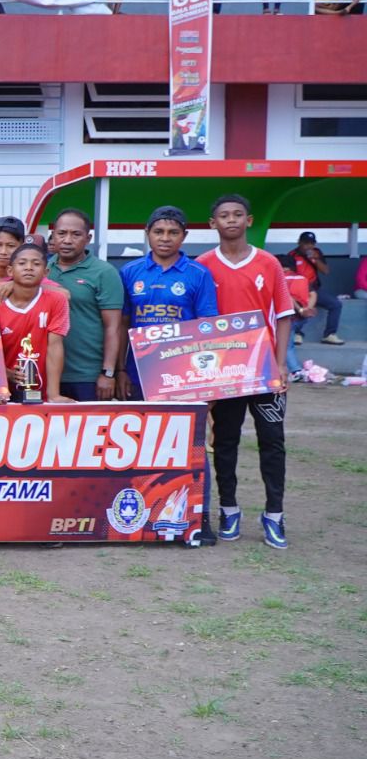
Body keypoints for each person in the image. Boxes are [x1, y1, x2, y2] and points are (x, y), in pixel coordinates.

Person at [194, 195, 295, 548]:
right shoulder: (202, 266)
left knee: (273, 441)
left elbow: (284, 316)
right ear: (213, 223)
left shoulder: (268, 263)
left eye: (238, 214)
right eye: (224, 215)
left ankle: (274, 515)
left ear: (249, 220)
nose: (231, 220)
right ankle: (229, 510)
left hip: (264, 369)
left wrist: (281, 363)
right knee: (224, 442)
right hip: (225, 372)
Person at [116, 206, 219, 400]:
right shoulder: (129, 271)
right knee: (139, 419)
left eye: (173, 232)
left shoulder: (199, 273)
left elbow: (207, 327)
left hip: (184, 372)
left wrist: (208, 379)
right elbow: (122, 324)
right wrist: (120, 370)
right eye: (158, 232)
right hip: (138, 371)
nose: (165, 238)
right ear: (147, 232)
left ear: (184, 236)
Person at [46, 208, 124, 401]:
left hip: (88, 376)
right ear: (53, 235)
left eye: (76, 234)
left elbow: (113, 327)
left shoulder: (104, 272)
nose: (67, 240)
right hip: (47, 373)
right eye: (61, 233)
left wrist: (108, 373)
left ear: (88, 238)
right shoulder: (42, 269)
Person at [0, 244, 71, 403]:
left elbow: (54, 346)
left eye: (36, 264)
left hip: (43, 392)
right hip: (6, 395)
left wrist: (53, 395)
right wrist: (5, 376)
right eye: (22, 263)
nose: (29, 267)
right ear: (10, 271)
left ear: (46, 272)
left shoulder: (57, 301)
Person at [287, 230, 343, 344]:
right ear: (299, 242)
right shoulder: (292, 255)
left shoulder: (317, 253)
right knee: (300, 306)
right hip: (299, 290)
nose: (309, 246)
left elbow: (326, 271)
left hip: (315, 289)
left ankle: (329, 334)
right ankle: (297, 333)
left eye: (312, 243)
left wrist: (316, 259)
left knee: (336, 304)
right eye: (306, 243)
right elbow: (290, 275)